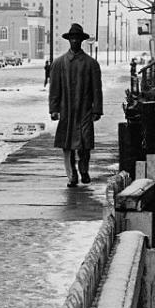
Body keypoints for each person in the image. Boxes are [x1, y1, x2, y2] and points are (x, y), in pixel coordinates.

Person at [49, 23, 103, 187]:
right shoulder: (59, 63)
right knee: (67, 145)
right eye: (72, 38)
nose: (74, 41)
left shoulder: (91, 63)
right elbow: (54, 89)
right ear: (68, 40)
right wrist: (54, 108)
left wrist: (97, 109)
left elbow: (97, 88)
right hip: (66, 111)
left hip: (85, 109)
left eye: (77, 39)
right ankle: (72, 176)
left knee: (84, 144)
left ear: (81, 41)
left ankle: (84, 170)